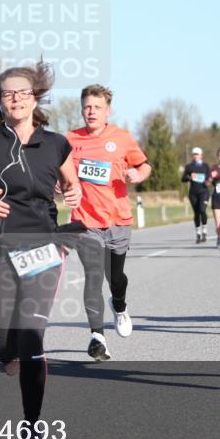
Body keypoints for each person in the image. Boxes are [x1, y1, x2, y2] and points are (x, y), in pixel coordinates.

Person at [0, 61, 83, 439]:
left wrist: (72, 195)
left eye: (23, 93)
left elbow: (71, 184)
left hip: (43, 249)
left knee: (31, 337)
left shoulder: (57, 143)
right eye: (9, 94)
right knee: (3, 343)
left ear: (35, 98)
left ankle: (32, 428)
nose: (16, 99)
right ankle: (5, 352)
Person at [66, 84, 151, 360]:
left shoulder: (122, 138)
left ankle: (120, 305)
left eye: (97, 107)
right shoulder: (69, 140)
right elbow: (60, 173)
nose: (91, 112)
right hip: (84, 221)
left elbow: (144, 165)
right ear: (82, 109)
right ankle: (97, 337)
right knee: (93, 276)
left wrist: (140, 174)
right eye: (87, 107)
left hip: (118, 219)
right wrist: (61, 185)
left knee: (115, 278)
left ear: (107, 111)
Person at [182, 147, 211, 243]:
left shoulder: (206, 166)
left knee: (202, 210)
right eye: (194, 154)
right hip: (193, 193)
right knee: (197, 213)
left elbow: (210, 177)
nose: (196, 156)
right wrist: (189, 177)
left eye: (197, 154)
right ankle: (198, 234)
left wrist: (208, 181)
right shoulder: (189, 166)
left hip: (204, 192)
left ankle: (204, 231)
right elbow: (183, 179)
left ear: (201, 155)